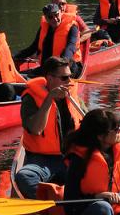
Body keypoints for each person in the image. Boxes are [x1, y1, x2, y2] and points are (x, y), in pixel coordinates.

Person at [14, 57, 85, 200]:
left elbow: (89, 124)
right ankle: (57, 202)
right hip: (42, 161)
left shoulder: (73, 96)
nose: (69, 81)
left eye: (70, 76)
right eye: (64, 78)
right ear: (50, 78)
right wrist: (49, 99)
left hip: (70, 158)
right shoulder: (31, 98)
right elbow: (36, 129)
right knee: (24, 176)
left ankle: (62, 199)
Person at [15, 3, 83, 78]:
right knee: (19, 76)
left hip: (68, 67)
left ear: (60, 12)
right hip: (49, 68)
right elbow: (33, 48)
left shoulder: (72, 28)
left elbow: (70, 47)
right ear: (46, 18)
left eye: (56, 15)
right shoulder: (44, 28)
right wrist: (15, 56)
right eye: (50, 17)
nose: (55, 19)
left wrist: (63, 62)